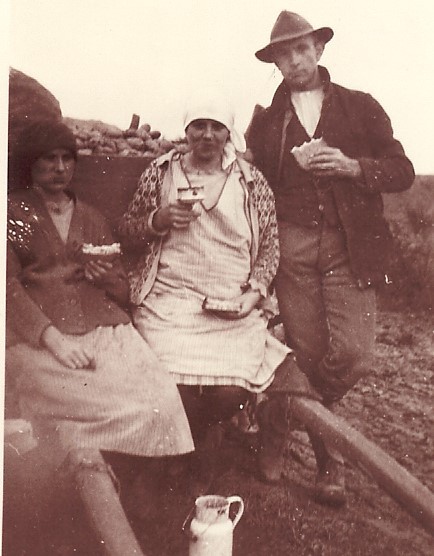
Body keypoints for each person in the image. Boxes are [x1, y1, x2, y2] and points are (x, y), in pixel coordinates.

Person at [247, 11, 415, 505]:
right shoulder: (267, 122)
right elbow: (257, 186)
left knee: (354, 357)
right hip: (292, 249)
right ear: (275, 63)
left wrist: (352, 166)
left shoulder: (360, 107)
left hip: (350, 246)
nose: (295, 61)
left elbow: (402, 170)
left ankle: (278, 416)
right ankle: (329, 464)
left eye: (302, 49)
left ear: (319, 50)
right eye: (284, 55)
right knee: (307, 354)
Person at [118, 92, 310, 489]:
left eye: (216, 127)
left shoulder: (251, 181)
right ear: (187, 131)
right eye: (199, 127)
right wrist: (158, 219)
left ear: (228, 133)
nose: (207, 135)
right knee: (167, 378)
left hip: (231, 300)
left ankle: (199, 439)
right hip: (170, 299)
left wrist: (254, 294)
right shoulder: (161, 172)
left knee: (230, 389)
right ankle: (182, 449)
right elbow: (129, 231)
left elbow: (270, 247)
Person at [6, 120, 194, 512]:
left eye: (67, 159)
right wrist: (52, 339)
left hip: (103, 324)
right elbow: (7, 288)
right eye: (49, 159)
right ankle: (94, 468)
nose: (60, 168)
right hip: (39, 334)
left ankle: (143, 474)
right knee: (80, 398)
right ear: (30, 163)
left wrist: (106, 277)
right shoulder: (13, 214)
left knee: (161, 398)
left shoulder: (91, 216)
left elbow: (122, 290)